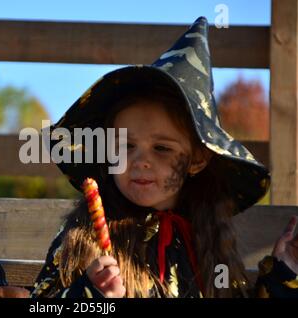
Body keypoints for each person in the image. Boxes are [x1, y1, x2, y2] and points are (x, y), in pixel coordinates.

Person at [30, 17, 298, 298]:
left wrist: (283, 278)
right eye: (125, 146)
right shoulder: (85, 235)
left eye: (162, 148)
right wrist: (89, 295)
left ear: (198, 159)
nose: (140, 161)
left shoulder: (210, 243)